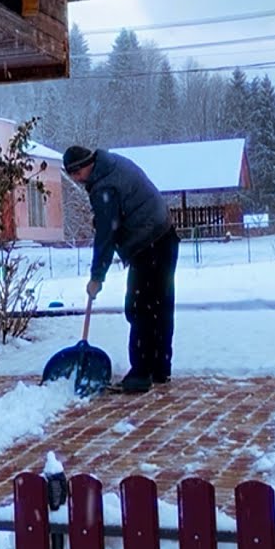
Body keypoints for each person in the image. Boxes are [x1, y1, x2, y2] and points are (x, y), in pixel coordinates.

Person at [63, 145, 180, 394]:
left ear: (84, 166)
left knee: (140, 307)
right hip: (165, 237)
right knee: (160, 305)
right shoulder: (111, 164)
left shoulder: (104, 185)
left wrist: (97, 277)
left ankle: (140, 373)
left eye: (76, 174)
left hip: (149, 243)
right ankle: (159, 368)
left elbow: (107, 233)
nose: (75, 180)